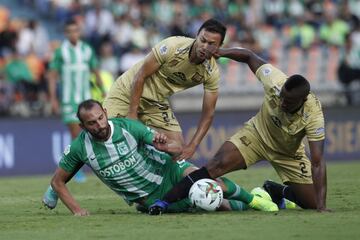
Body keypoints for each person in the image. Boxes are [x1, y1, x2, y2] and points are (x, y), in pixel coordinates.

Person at [149, 47, 328, 215]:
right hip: (256, 136)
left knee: (311, 203)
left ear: (303, 100)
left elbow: (318, 162)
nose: (282, 103)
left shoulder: (314, 115)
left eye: (288, 102)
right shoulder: (275, 81)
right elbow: (249, 56)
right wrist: (222, 52)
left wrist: (321, 207)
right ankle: (164, 202)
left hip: (288, 153)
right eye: (281, 98)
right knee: (215, 166)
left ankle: (276, 191)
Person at [50, 99, 278, 216]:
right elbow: (57, 182)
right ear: (82, 126)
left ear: (106, 114)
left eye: (101, 118)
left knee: (208, 183)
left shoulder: (128, 127)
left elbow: (176, 149)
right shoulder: (80, 148)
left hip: (169, 170)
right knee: (219, 206)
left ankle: (255, 200)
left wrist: (168, 146)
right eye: (92, 122)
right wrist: (77, 210)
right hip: (149, 197)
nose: (99, 125)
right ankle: (264, 194)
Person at [103, 18, 226, 161]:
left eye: (211, 44)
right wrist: (132, 115)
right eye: (202, 40)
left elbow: (208, 114)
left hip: (156, 102)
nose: (204, 46)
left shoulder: (211, 72)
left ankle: (154, 170)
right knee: (107, 135)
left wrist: (193, 145)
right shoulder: (173, 46)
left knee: (177, 149)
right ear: (197, 35)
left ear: (219, 46)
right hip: (127, 91)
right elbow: (140, 76)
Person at [42, 19, 105, 207]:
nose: (73, 34)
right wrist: (53, 98)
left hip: (86, 101)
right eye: (69, 31)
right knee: (77, 135)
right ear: (65, 33)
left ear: (79, 32)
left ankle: (69, 172)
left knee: (85, 136)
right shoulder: (61, 52)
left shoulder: (87, 50)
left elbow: (95, 70)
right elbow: (52, 75)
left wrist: (103, 92)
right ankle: (73, 171)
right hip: (69, 100)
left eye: (75, 30)